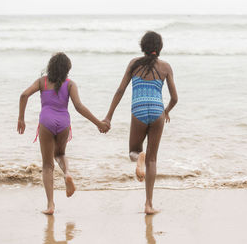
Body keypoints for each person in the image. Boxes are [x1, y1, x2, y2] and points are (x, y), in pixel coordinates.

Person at [17, 52, 109, 215]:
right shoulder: (70, 84)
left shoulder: (42, 82)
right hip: (64, 122)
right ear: (67, 69)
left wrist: (21, 119)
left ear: (50, 67)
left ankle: (51, 204)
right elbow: (79, 107)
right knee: (60, 153)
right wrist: (99, 123)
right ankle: (67, 173)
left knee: (47, 165)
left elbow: (23, 95)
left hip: (46, 121)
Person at [103, 31, 178, 214]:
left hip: (138, 109)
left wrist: (109, 116)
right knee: (152, 160)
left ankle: (139, 157)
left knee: (133, 152)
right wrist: (165, 111)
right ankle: (149, 204)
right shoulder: (166, 67)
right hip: (157, 110)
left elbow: (120, 90)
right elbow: (175, 98)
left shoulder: (134, 64)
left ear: (142, 47)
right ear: (159, 48)